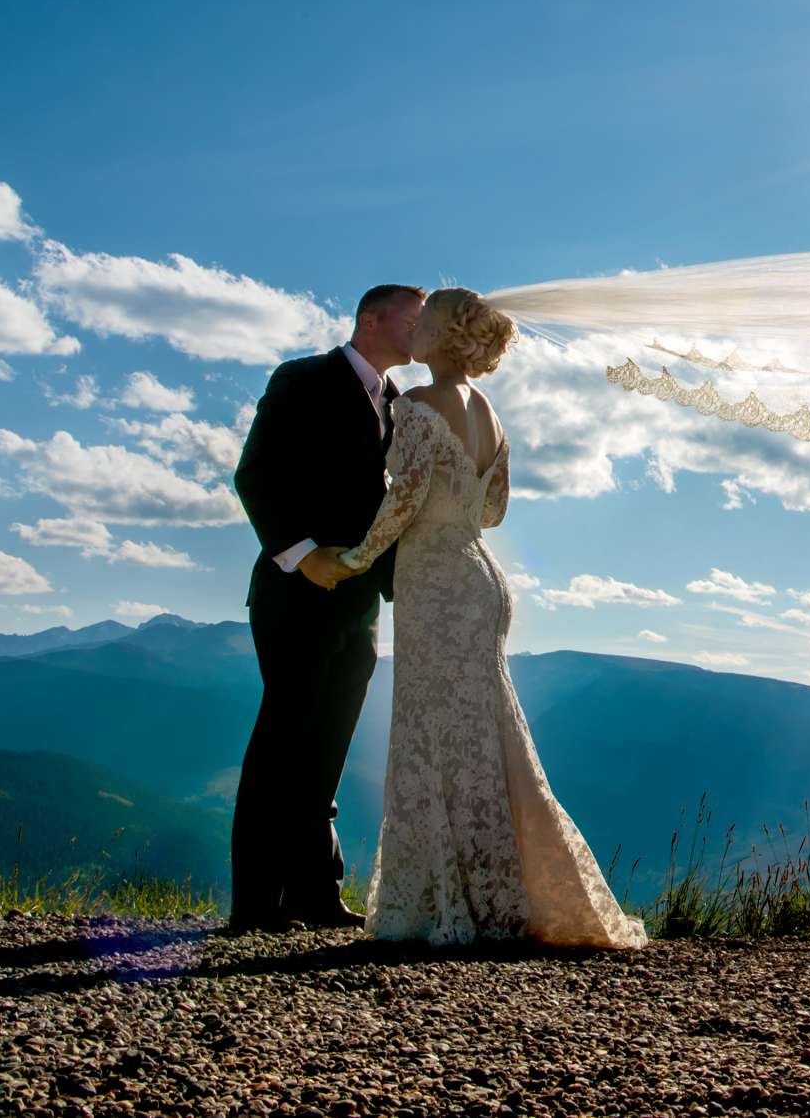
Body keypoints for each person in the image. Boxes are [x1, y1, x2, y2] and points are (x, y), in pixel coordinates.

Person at [309, 287, 646, 948]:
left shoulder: (416, 406)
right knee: (488, 734)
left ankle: (443, 900)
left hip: (435, 577)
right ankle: (507, 894)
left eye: (427, 322)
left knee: (433, 735)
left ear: (448, 335)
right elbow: (492, 513)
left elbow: (403, 498)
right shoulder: (489, 413)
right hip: (482, 576)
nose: (418, 331)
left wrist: (354, 557)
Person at [226, 282, 424, 933]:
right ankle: (254, 904)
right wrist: (303, 552)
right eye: (413, 318)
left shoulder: (402, 406)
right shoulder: (303, 379)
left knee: (329, 747)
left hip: (361, 606)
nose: (422, 330)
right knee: (283, 740)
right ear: (372, 317)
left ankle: (315, 891)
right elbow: (256, 473)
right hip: (293, 593)